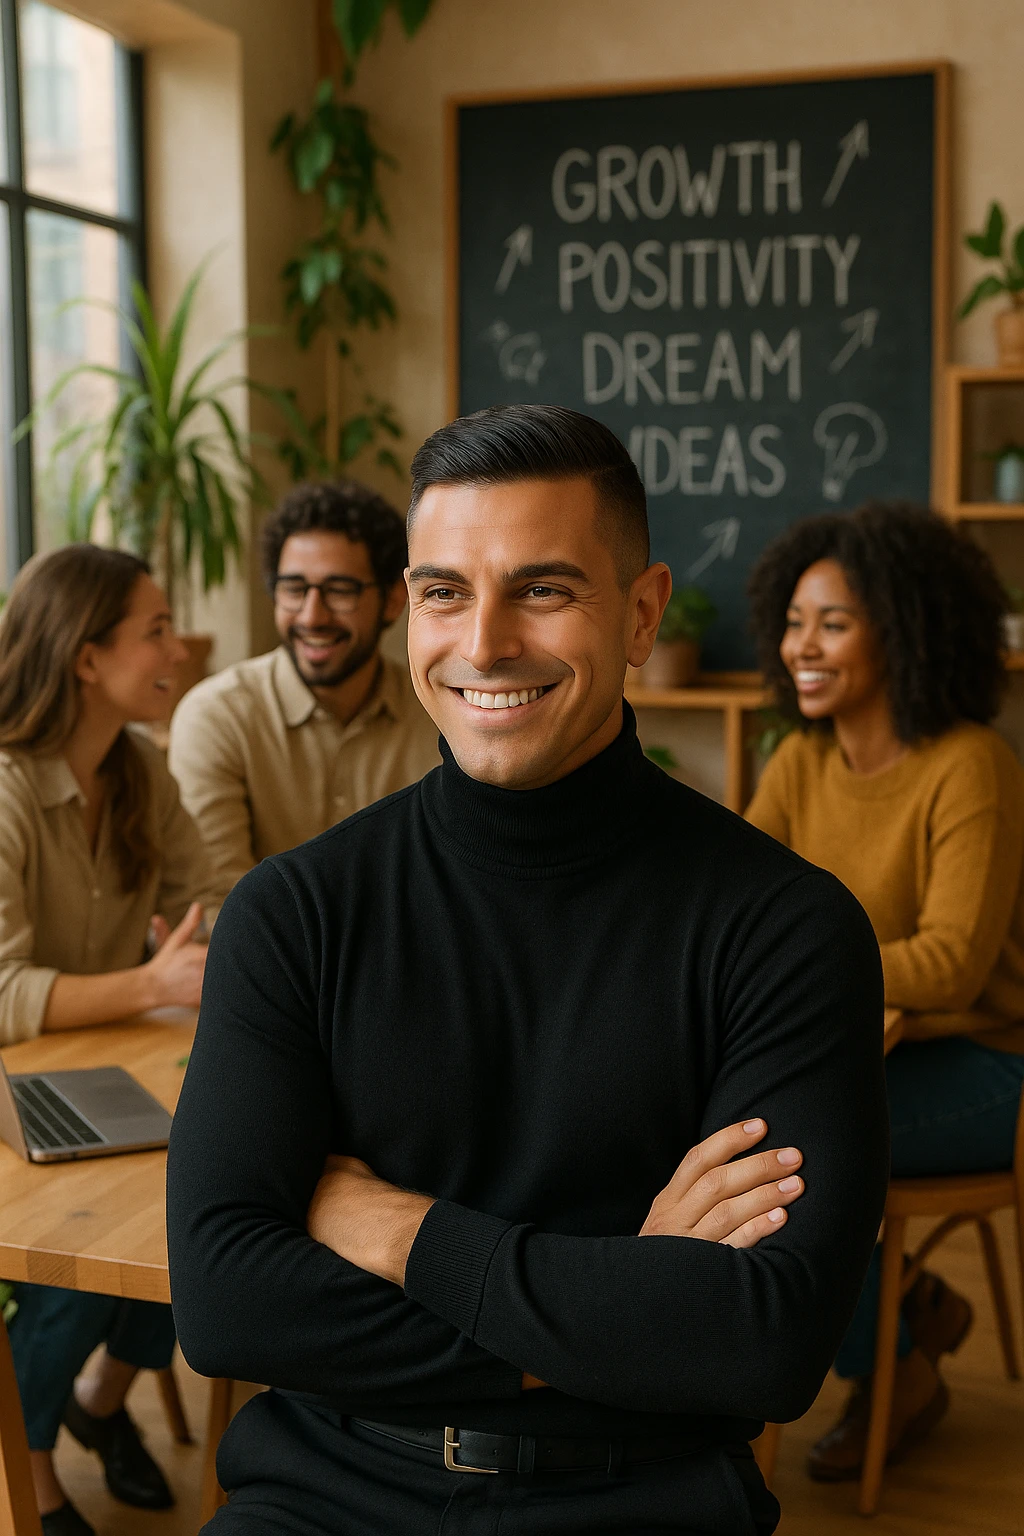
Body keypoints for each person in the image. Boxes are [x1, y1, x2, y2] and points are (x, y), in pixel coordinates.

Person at [167, 405, 889, 1536]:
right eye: (445, 592)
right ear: (411, 610)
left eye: (543, 590)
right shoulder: (295, 913)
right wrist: (624, 1293)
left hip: (638, 1501)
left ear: (642, 612)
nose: (486, 642)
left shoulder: (785, 930)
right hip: (320, 1497)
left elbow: (763, 1343)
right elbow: (224, 1306)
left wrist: (396, 1233)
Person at [745, 501, 1024, 1482]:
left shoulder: (969, 766)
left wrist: (810, 973)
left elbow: (949, 961)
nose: (800, 646)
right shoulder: (797, 763)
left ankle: (897, 1368)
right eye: (792, 621)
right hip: (866, 1050)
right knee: (726, 1126)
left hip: (989, 1065)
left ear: (902, 629)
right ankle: (901, 1300)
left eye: (832, 622)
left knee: (797, 1154)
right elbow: (740, 922)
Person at [0, 545, 215, 1536]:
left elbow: (202, 910)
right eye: (157, 629)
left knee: (208, 1208)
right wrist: (151, 980)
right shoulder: (4, 788)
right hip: (14, 1093)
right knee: (81, 1250)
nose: (180, 646)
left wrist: (195, 956)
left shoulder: (139, 772)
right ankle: (31, 1464)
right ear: (88, 660)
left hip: (103, 1070)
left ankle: (96, 1405)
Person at [168, 479, 440, 911]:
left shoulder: (441, 711)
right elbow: (220, 901)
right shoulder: (218, 716)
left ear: (392, 600)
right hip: (270, 969)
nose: (312, 616)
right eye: (294, 589)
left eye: (339, 591)